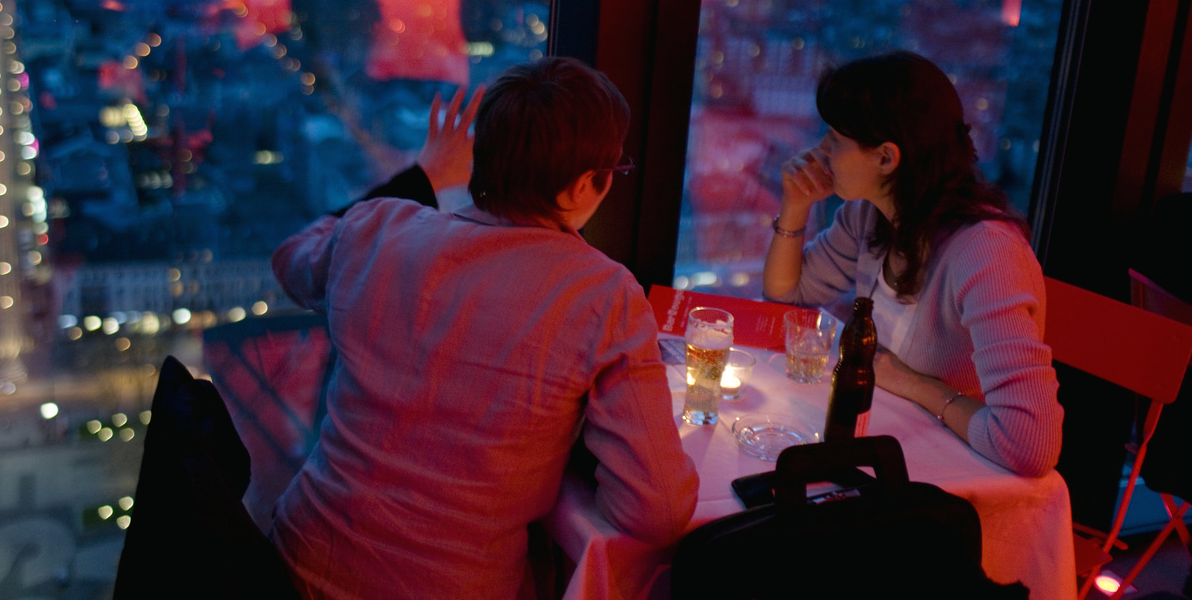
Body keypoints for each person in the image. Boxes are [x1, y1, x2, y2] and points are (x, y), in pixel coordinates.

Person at [270, 57, 699, 600]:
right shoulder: (602, 294)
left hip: (290, 563)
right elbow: (656, 511)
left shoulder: (376, 229)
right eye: (611, 172)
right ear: (578, 188)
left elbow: (291, 258)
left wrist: (422, 176)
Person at [763, 50, 1063, 477]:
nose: (820, 150)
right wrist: (795, 205)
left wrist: (916, 385)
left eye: (835, 138)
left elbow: (1029, 445)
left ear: (886, 158)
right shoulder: (870, 214)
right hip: (887, 446)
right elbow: (788, 293)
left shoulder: (987, 254)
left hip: (957, 477)